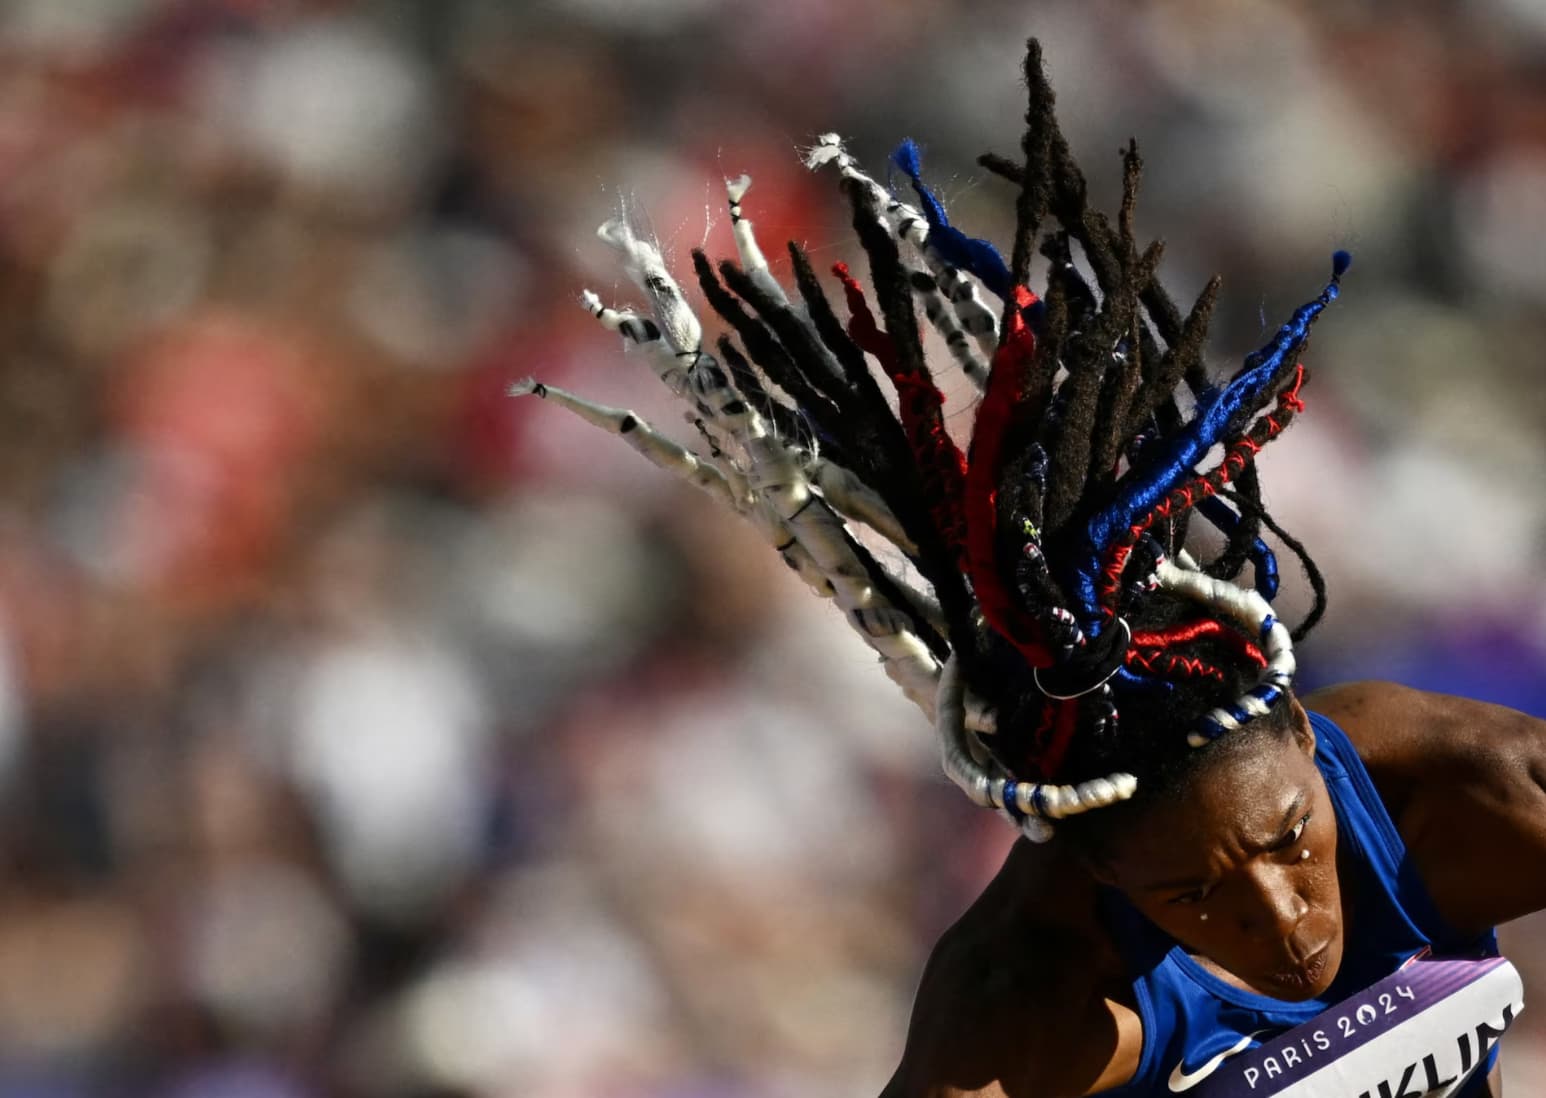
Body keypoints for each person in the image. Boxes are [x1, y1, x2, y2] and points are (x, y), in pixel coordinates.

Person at [515, 38, 1545, 1098]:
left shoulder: (1455, 792)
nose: (1283, 921)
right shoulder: (1026, 1008)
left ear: (1304, 737)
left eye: (1289, 838)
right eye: (1195, 894)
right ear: (1099, 877)